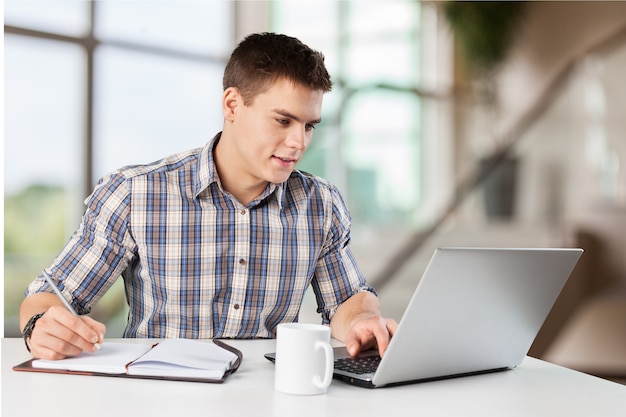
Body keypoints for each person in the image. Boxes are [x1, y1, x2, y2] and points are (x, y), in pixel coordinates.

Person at [19, 32, 397, 361]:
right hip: (157, 396)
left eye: (309, 125)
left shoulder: (320, 204)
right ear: (232, 105)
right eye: (283, 121)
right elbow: (48, 298)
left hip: (270, 397)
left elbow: (348, 299)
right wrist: (42, 326)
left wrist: (364, 321)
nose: (299, 142)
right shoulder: (136, 193)